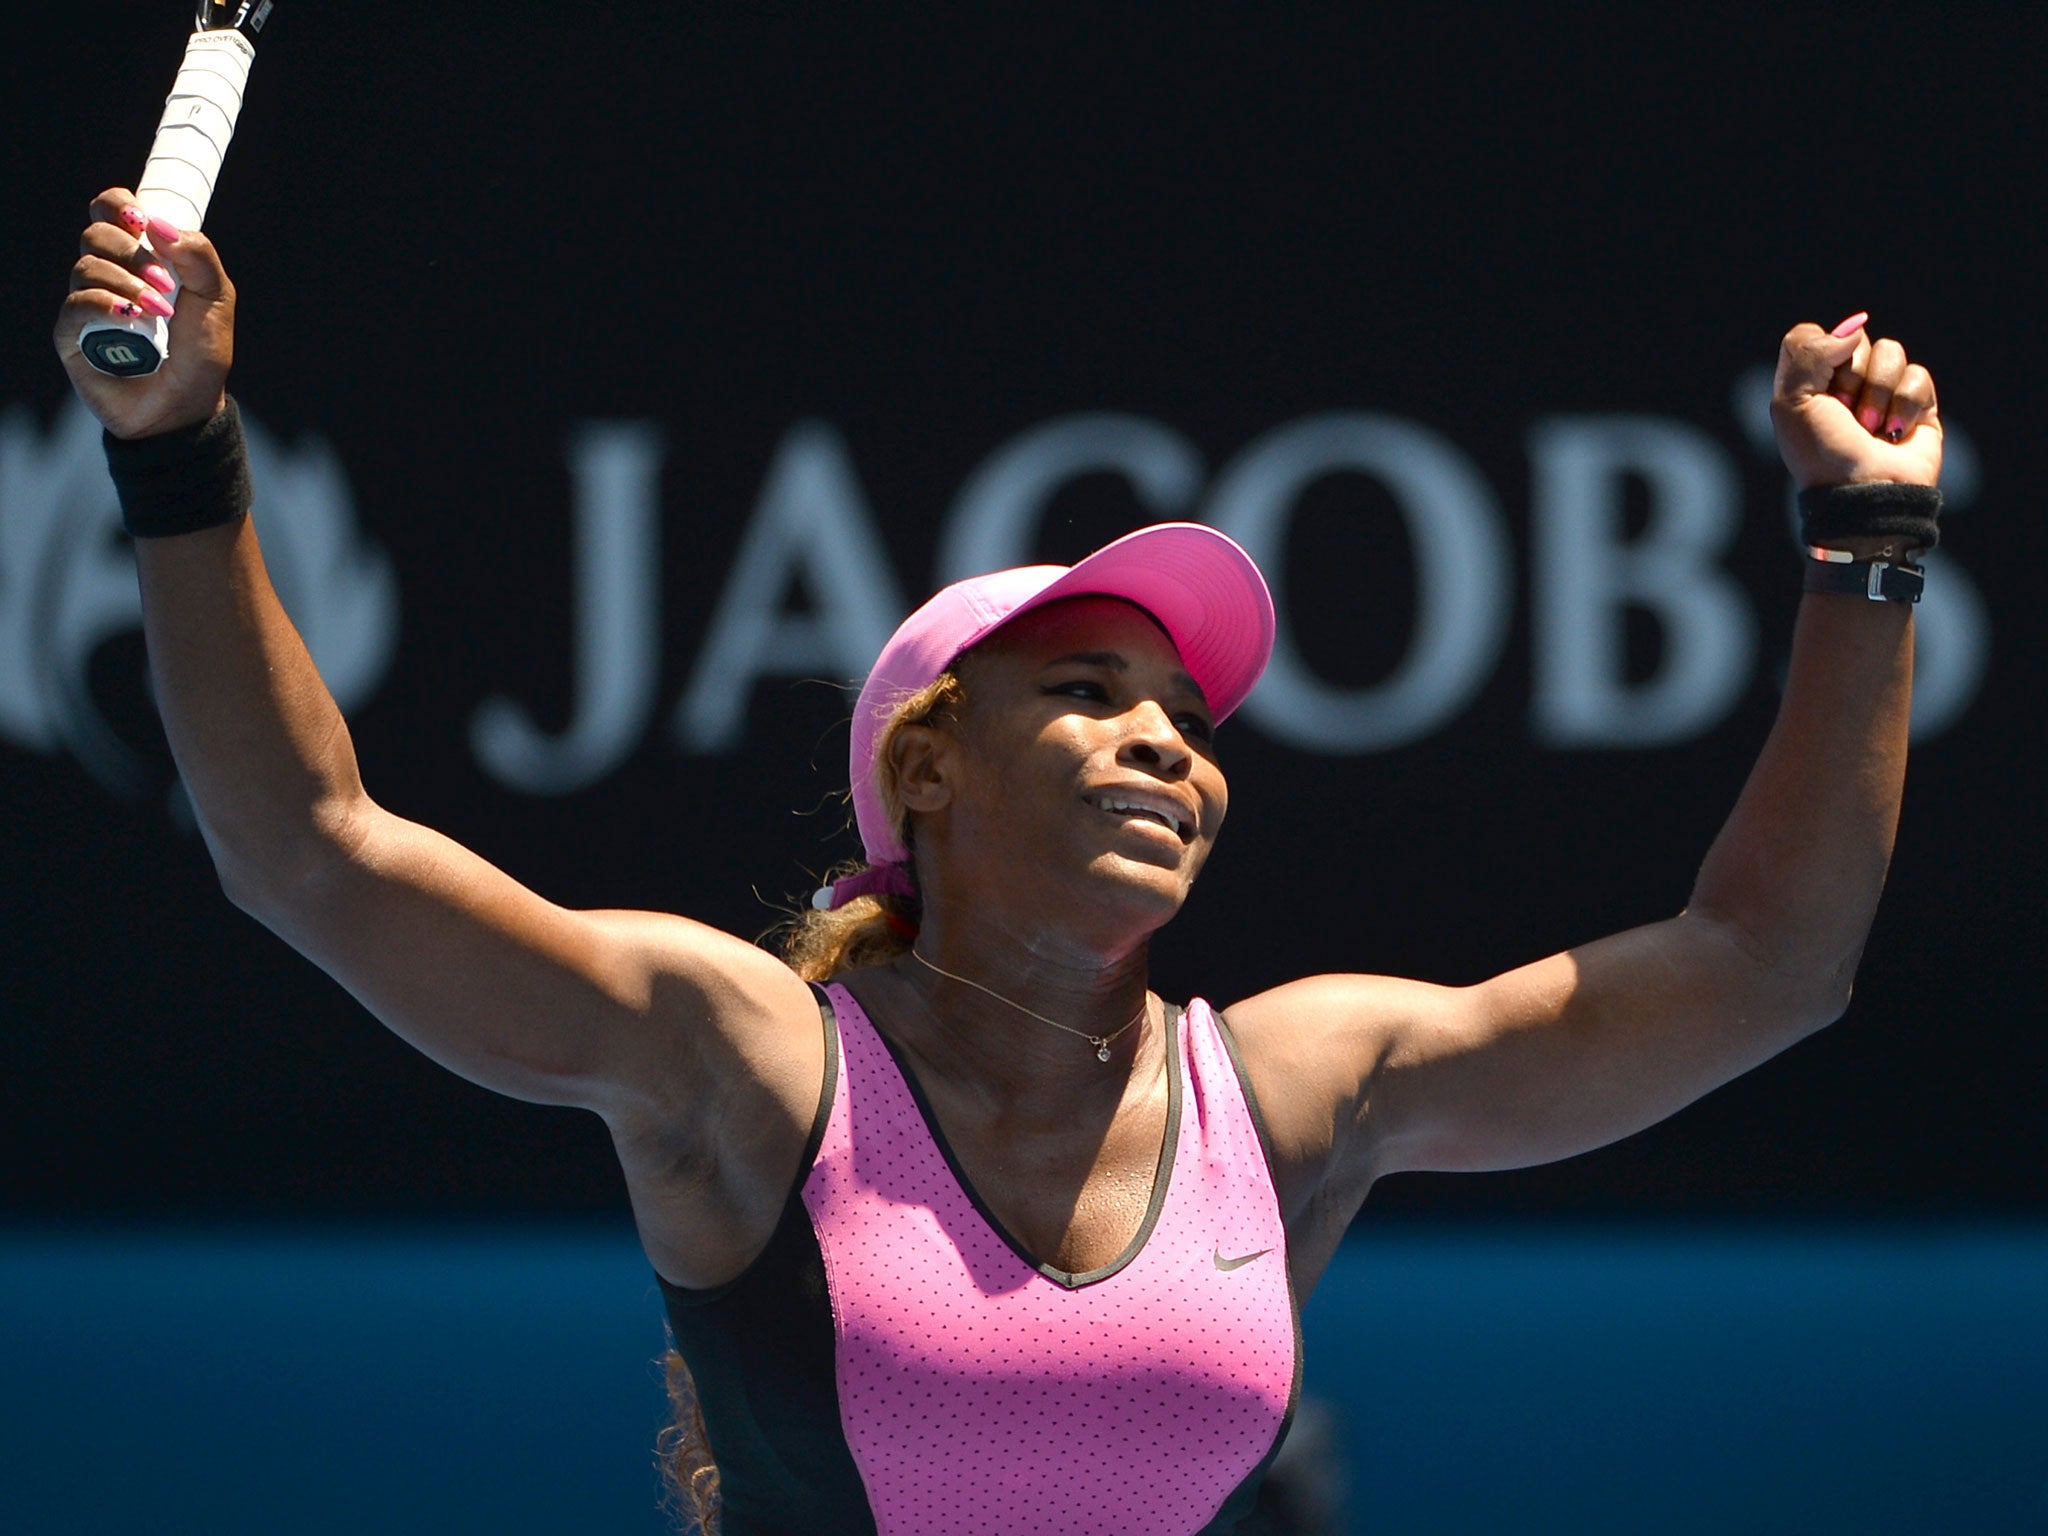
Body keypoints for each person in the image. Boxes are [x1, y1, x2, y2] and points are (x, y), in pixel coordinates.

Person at [56, 188, 1943, 1536]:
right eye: (1093, 692)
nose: (1166, 744)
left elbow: (1769, 966)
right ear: (931, 766)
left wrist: (1866, 538)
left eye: (1191, 723)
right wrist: (180, 448)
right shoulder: (746, 1060)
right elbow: (307, 849)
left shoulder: (1299, 1092)